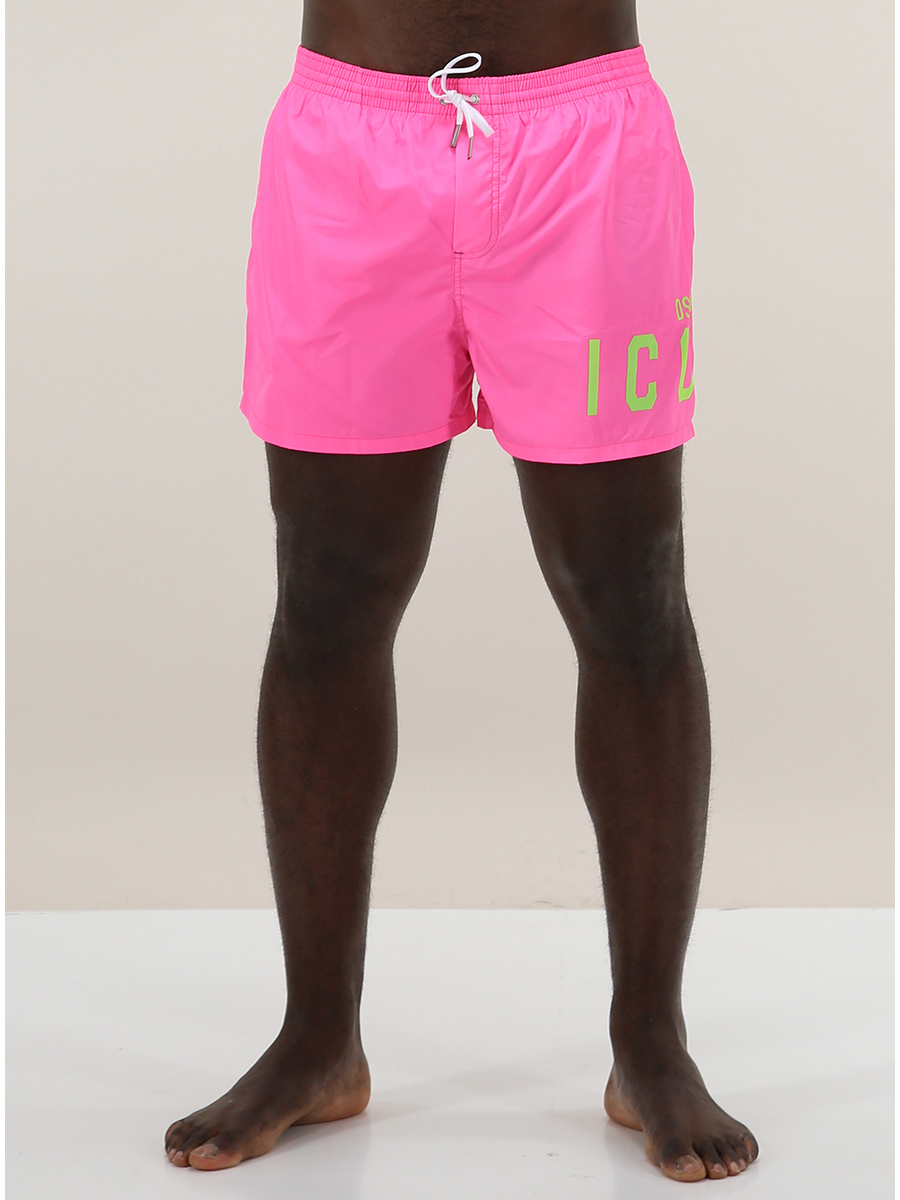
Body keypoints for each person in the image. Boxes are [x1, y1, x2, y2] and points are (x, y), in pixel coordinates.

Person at [164, 0, 759, 1183]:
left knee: (631, 598)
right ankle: (318, 1040)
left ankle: (650, 1039)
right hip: (350, 145)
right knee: (327, 597)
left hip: (586, 143)